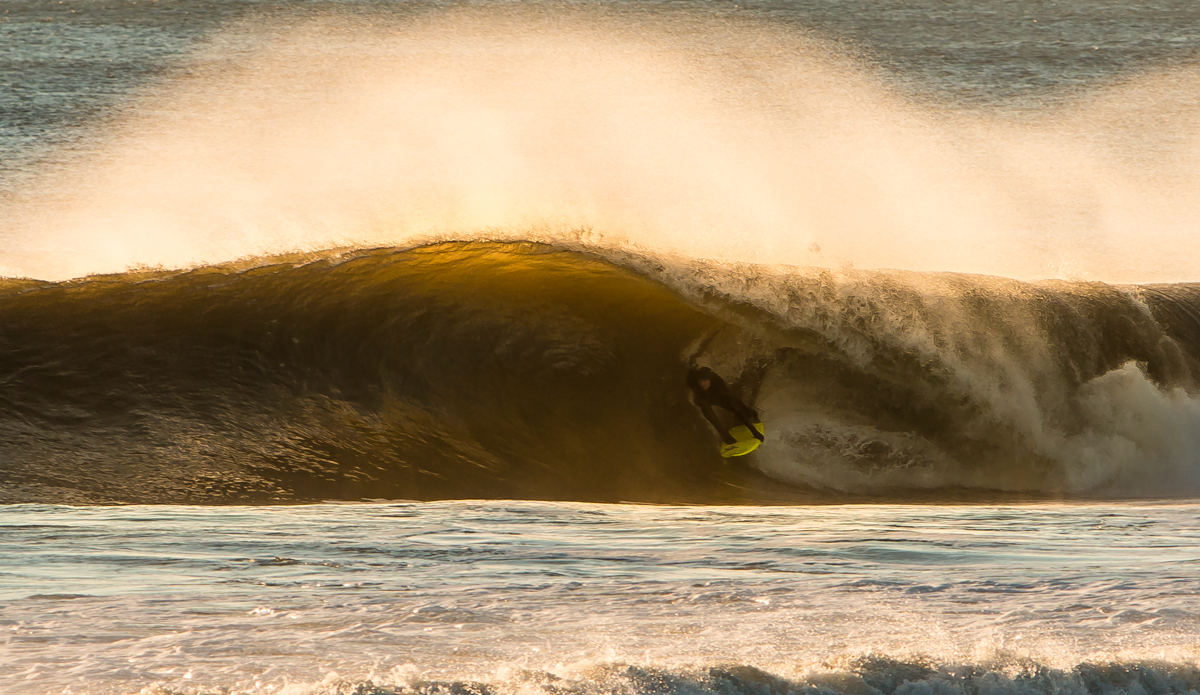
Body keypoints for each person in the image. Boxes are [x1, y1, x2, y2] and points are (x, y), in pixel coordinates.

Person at [686, 367, 764, 445]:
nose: (702, 384)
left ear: (709, 379)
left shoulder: (718, 382)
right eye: (700, 382)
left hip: (717, 394)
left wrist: (747, 415)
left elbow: (733, 399)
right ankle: (725, 434)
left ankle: (749, 424)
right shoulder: (695, 383)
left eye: (704, 381)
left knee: (734, 405)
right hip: (704, 397)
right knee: (704, 405)